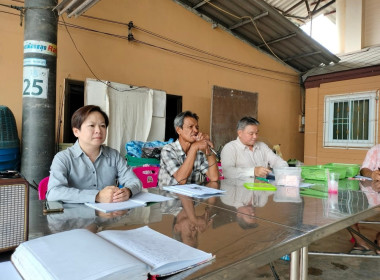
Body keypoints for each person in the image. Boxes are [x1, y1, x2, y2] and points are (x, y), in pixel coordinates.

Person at [46, 105, 142, 203]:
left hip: (108, 214)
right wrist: (96, 196)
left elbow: (135, 181)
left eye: (102, 126)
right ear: (76, 131)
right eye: (92, 126)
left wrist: (128, 191)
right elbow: (54, 192)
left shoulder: (114, 155)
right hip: (75, 216)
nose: (98, 131)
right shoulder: (63, 158)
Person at [158, 111, 219, 186]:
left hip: (192, 195)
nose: (196, 131)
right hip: (170, 196)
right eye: (190, 127)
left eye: (197, 127)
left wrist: (209, 149)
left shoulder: (199, 152)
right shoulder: (168, 150)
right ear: (178, 130)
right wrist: (194, 148)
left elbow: (214, 177)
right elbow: (181, 180)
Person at [221, 116, 288, 179]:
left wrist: (283, 169)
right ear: (240, 133)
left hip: (263, 188)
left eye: (256, 133)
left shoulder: (262, 146)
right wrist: (253, 171)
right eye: (251, 133)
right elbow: (228, 172)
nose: (255, 137)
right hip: (241, 189)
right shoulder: (230, 148)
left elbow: (277, 161)